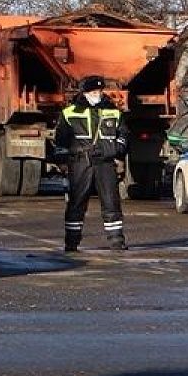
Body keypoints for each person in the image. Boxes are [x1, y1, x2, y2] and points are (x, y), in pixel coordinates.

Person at [54, 75, 130, 252]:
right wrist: (62, 162)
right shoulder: (69, 113)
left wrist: (117, 151)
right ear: (85, 92)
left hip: (105, 163)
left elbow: (124, 135)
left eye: (99, 91)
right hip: (81, 162)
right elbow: (61, 140)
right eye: (94, 91)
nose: (98, 94)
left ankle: (117, 241)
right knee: (76, 203)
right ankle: (71, 242)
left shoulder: (113, 111)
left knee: (111, 202)